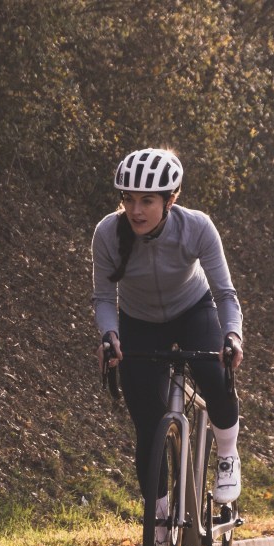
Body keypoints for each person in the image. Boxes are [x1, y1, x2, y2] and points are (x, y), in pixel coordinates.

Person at [92, 147, 244, 515]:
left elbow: (225, 293)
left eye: (147, 201)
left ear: (170, 200)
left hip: (192, 310)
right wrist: (109, 336)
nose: (136, 210)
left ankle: (227, 454)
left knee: (214, 372)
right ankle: (159, 527)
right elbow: (102, 297)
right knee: (148, 426)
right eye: (128, 199)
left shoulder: (197, 226)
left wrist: (233, 336)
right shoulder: (108, 234)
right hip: (138, 321)